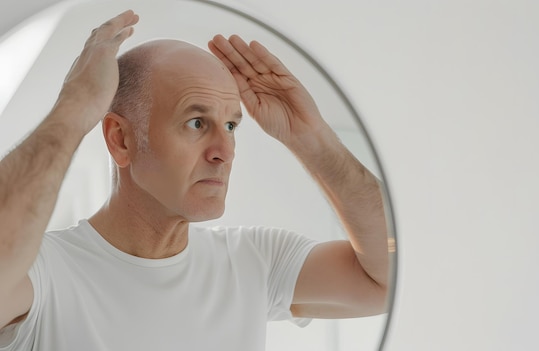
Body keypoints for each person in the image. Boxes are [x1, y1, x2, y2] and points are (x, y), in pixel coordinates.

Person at [0, 10, 388, 350]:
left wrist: (313, 139)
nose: (224, 150)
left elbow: (389, 279)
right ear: (121, 140)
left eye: (232, 125)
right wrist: (74, 108)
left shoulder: (254, 261)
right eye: (197, 122)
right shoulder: (45, 272)